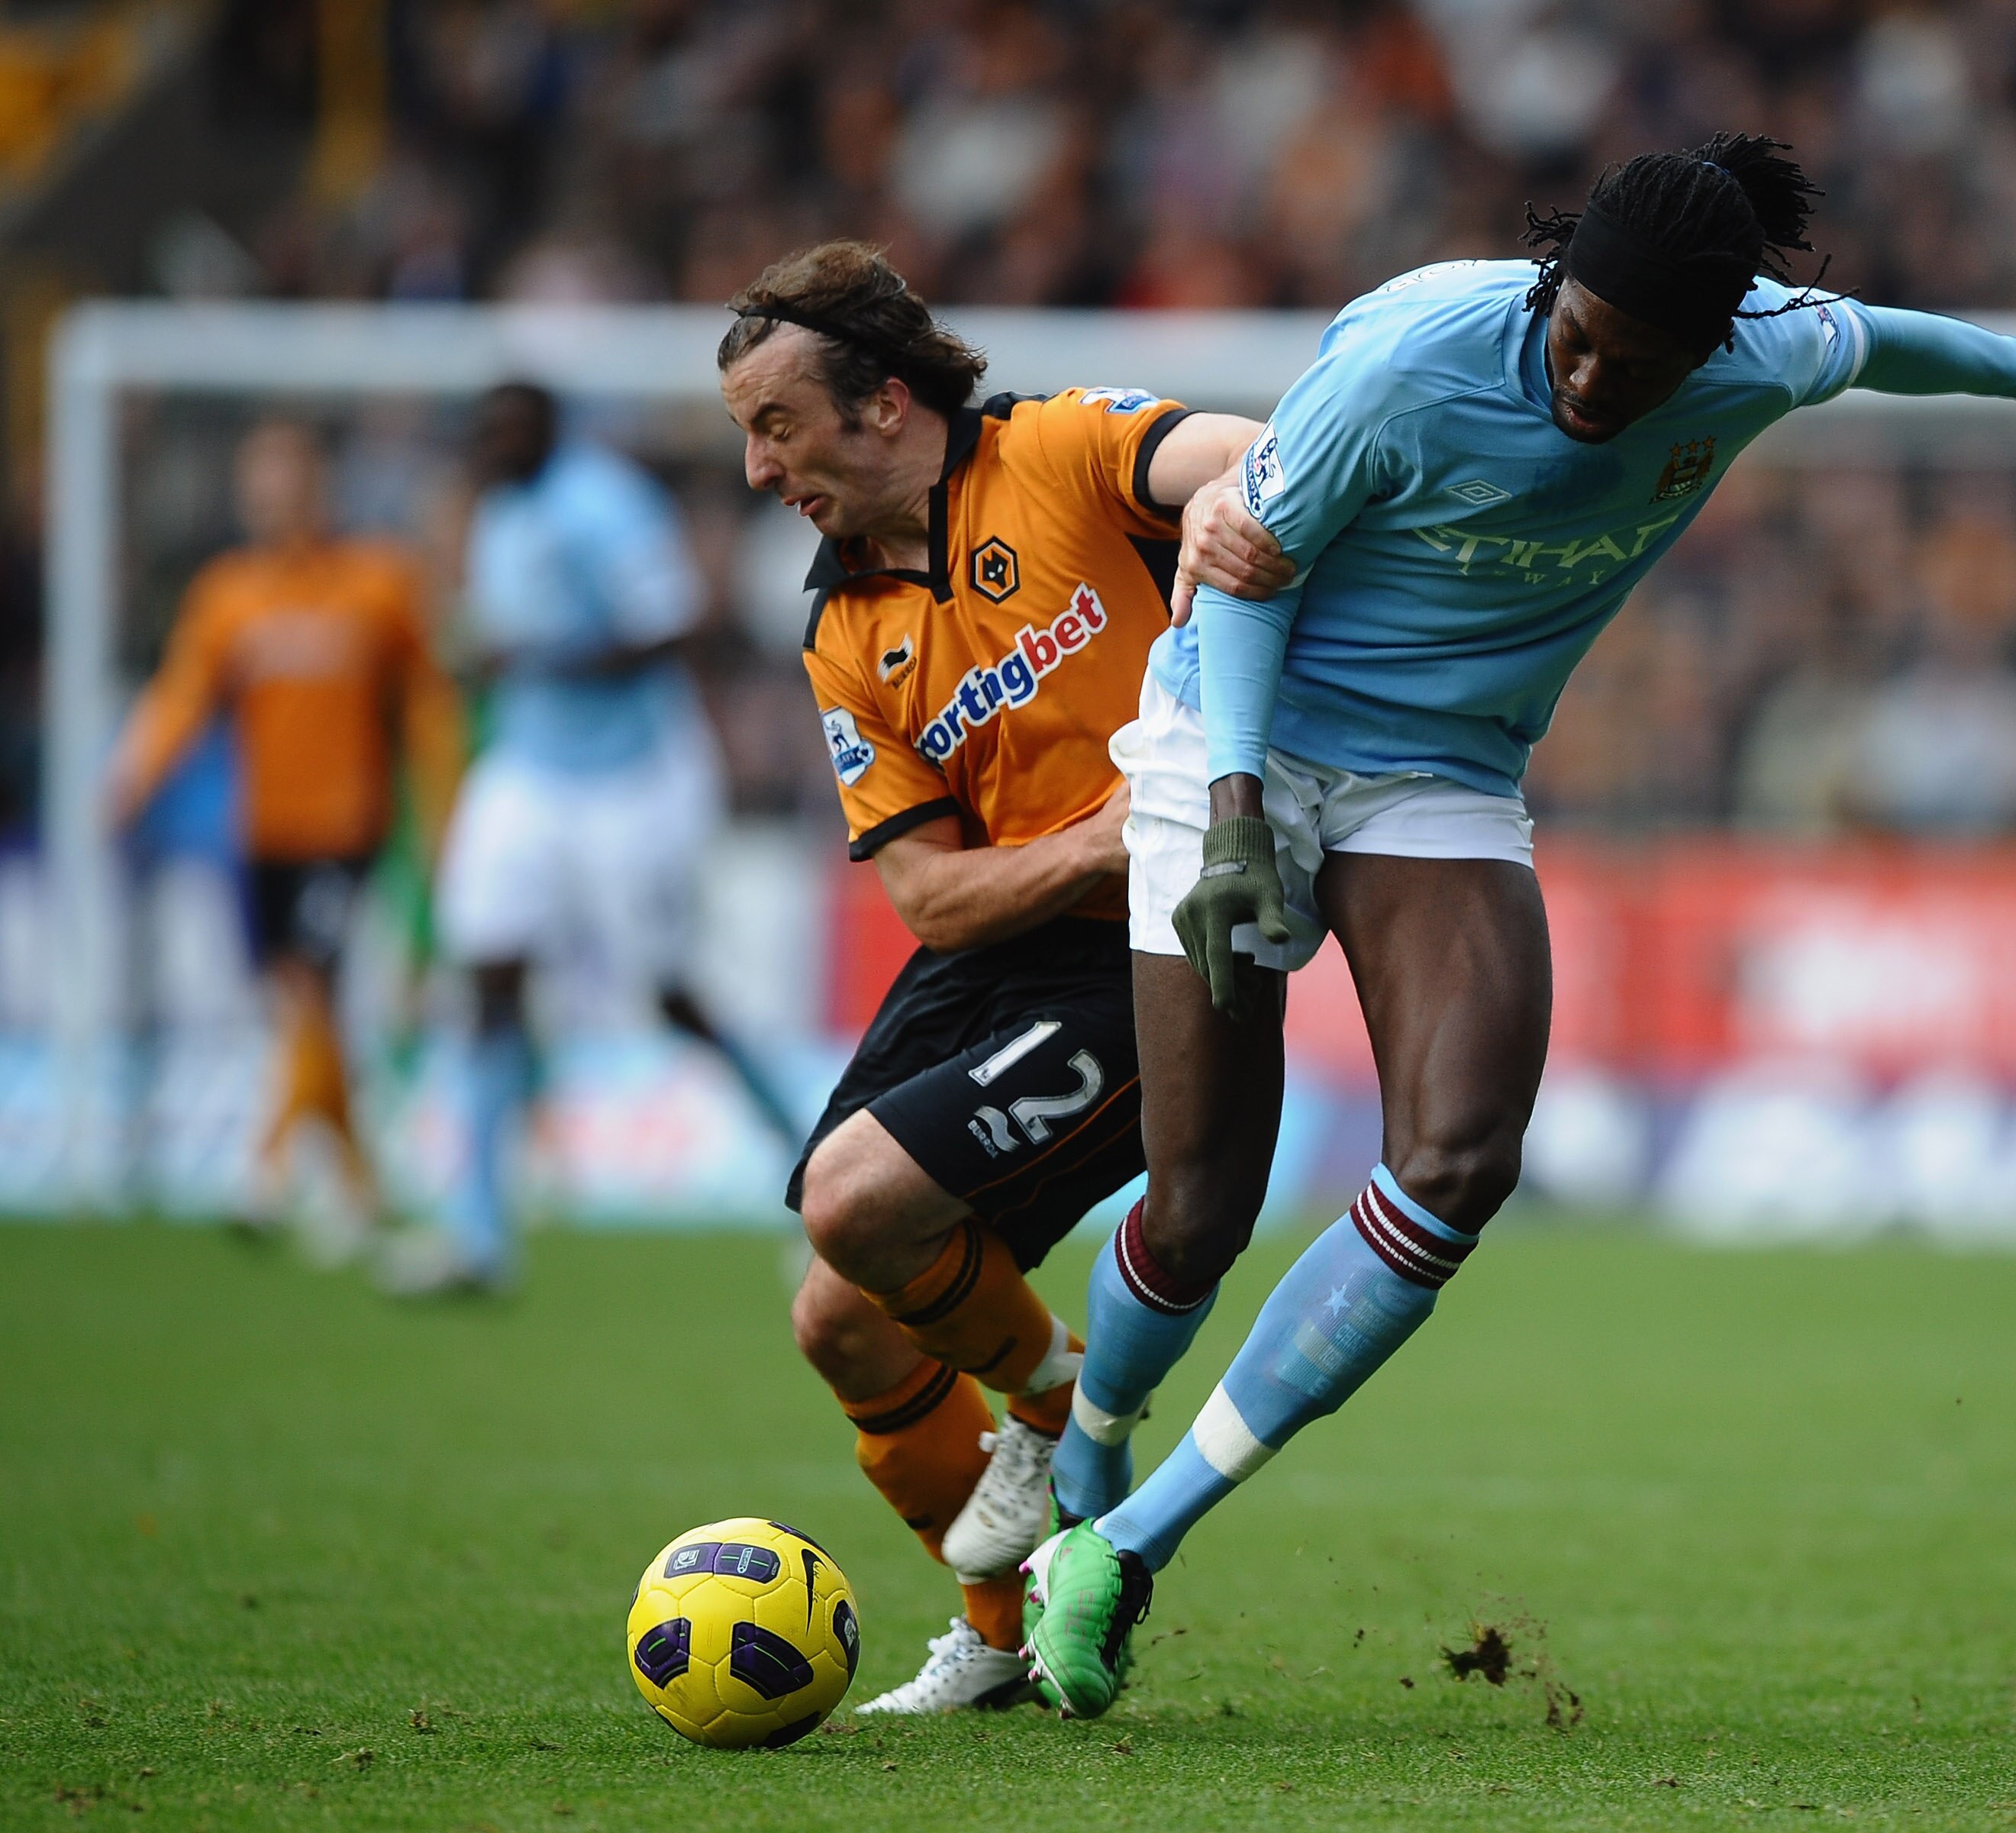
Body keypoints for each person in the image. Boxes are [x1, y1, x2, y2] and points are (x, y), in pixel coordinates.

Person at [1022, 136, 2016, 1716]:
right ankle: (1085, 1456)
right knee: (1205, 1199)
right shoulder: (1417, 353)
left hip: (1442, 774)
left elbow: (1885, 343)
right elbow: (1250, 577)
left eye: (1634, 368)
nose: (1587, 380)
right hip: (1245, 731)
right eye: (1574, 338)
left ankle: (1129, 1546)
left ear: (1715, 344)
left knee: (1460, 1162)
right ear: (1554, 284)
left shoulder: (1764, 349)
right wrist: (1226, 816)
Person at [714, 240, 1273, 1712]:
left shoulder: (1059, 450)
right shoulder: (842, 624)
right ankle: (1007, 1619)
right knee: (836, 1311)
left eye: (777, 428)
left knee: (852, 1206)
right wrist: (1091, 842)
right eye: (744, 439)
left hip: (1161, 940)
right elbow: (928, 896)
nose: (760, 472)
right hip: (1025, 929)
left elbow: (1236, 451)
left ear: (884, 404)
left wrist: (1232, 500)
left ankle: (1047, 1402)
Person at [405, 382, 798, 1295]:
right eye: (483, 433)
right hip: (528, 769)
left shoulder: (605, 503)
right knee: (486, 976)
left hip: (634, 777)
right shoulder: (497, 511)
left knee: (670, 996)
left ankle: (813, 1166)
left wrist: (537, 657)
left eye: (506, 432)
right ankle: (477, 1234)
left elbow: (673, 624)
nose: (491, 448)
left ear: (546, 431)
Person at [107, 419, 465, 1251]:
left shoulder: (377, 582)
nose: (271, 500)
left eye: (285, 481)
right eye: (258, 484)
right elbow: (184, 695)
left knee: (309, 987)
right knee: (309, 1007)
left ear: (318, 488)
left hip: (348, 824)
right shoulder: (229, 593)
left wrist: (439, 809)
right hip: (263, 829)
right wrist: (135, 774)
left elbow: (426, 703)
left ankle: (263, 1171)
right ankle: (361, 1182)